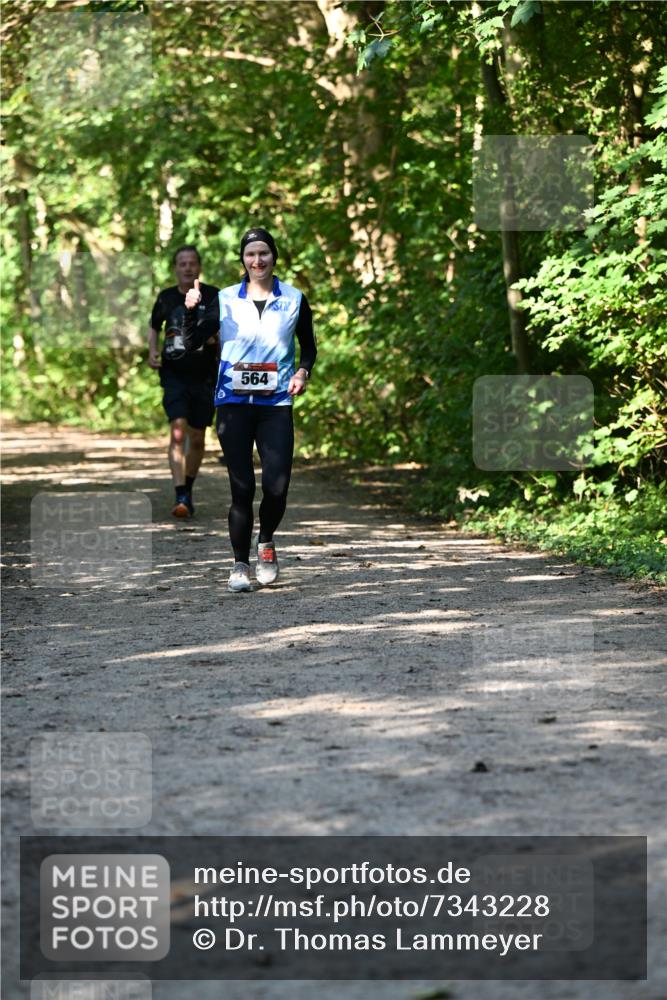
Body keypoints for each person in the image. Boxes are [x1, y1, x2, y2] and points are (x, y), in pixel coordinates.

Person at [183, 227, 316, 592]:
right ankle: (239, 565)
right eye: (250, 254)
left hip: (276, 404)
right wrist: (191, 311)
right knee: (241, 488)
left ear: (274, 257)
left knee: (277, 487)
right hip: (233, 403)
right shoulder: (225, 299)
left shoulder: (294, 299)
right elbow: (192, 342)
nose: (257, 260)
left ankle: (267, 542)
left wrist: (303, 371)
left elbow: (309, 347)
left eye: (264, 254)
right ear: (242, 260)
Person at [148, 246, 219, 518]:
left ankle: (188, 488)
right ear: (175, 268)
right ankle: (181, 495)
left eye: (192, 263)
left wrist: (217, 342)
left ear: (199, 266)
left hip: (205, 375)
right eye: (182, 263)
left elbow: (224, 326)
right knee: (178, 428)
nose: (187, 267)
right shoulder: (166, 297)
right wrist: (152, 351)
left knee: (198, 438)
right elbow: (154, 326)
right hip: (174, 373)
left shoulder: (213, 295)